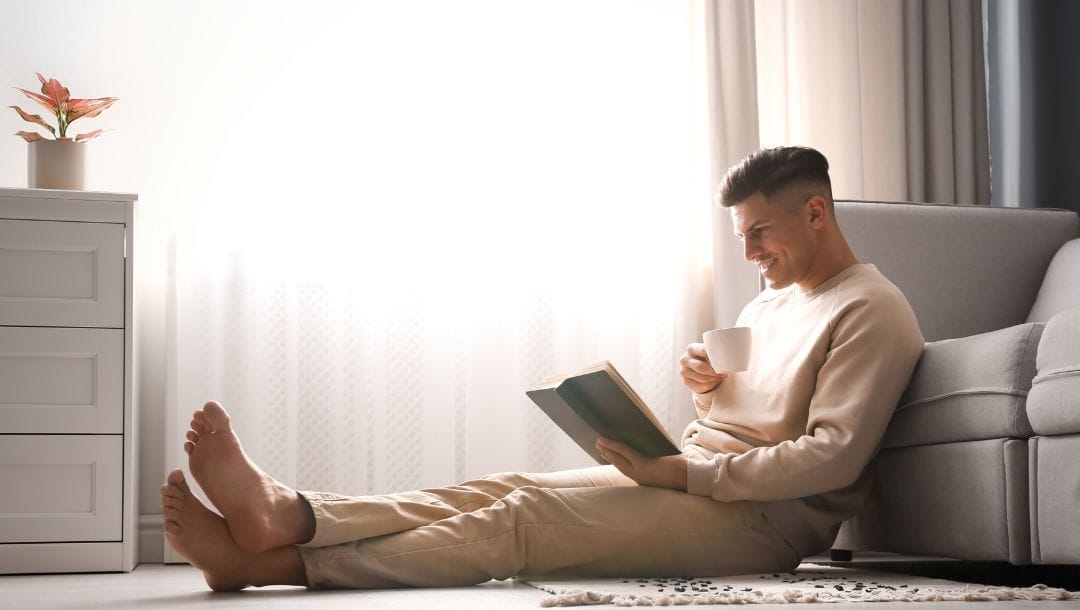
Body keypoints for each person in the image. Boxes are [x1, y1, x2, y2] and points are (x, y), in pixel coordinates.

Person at [161, 146, 924, 591]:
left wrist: (681, 476)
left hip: (762, 523)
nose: (750, 253)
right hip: (704, 477)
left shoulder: (874, 311)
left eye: (760, 232)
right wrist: (711, 391)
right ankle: (293, 513)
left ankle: (278, 565)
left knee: (520, 525)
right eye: (742, 236)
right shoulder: (770, 303)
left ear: (816, 213)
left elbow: (830, 457)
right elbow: (752, 418)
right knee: (506, 488)